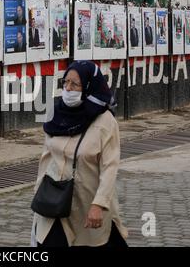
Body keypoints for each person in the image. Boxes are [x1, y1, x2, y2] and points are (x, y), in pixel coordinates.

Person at [31, 61, 128, 247]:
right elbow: (46, 157)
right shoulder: (56, 114)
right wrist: (38, 196)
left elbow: (110, 167)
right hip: (55, 203)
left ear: (89, 86)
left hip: (88, 205)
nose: (68, 89)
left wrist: (99, 204)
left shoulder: (105, 121)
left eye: (75, 84)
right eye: (65, 82)